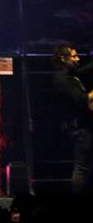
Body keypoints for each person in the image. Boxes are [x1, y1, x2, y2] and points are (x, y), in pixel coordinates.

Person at [52, 42, 93, 194]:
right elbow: (83, 99)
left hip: (81, 125)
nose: (77, 59)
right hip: (79, 128)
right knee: (82, 167)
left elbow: (84, 71)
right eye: (74, 56)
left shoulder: (70, 75)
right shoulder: (63, 79)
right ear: (63, 58)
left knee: (85, 166)